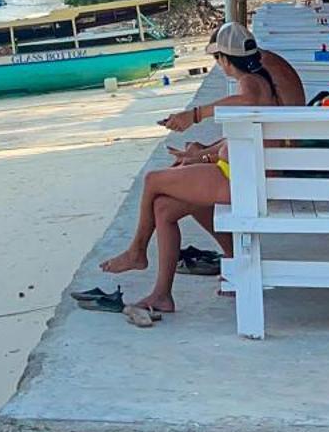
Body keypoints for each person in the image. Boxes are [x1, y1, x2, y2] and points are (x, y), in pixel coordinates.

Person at [99, 23, 305, 315]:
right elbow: (243, 134)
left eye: (217, 59)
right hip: (247, 171)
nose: (218, 65)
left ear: (224, 58)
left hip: (244, 178)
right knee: (164, 209)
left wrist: (195, 115)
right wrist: (202, 155)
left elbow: (246, 101)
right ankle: (162, 295)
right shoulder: (262, 78)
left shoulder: (249, 83)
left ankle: (137, 251)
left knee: (154, 180)